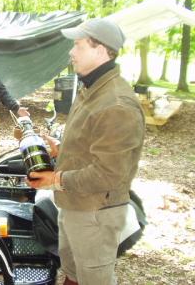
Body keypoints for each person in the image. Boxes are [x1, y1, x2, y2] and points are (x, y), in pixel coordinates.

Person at [27, 18, 145, 285]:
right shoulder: (91, 87)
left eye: (78, 45)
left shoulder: (117, 104)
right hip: (74, 204)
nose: (71, 52)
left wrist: (55, 179)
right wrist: (62, 151)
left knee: (94, 279)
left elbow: (108, 174)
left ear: (101, 50)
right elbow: (92, 144)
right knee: (72, 274)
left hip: (95, 213)